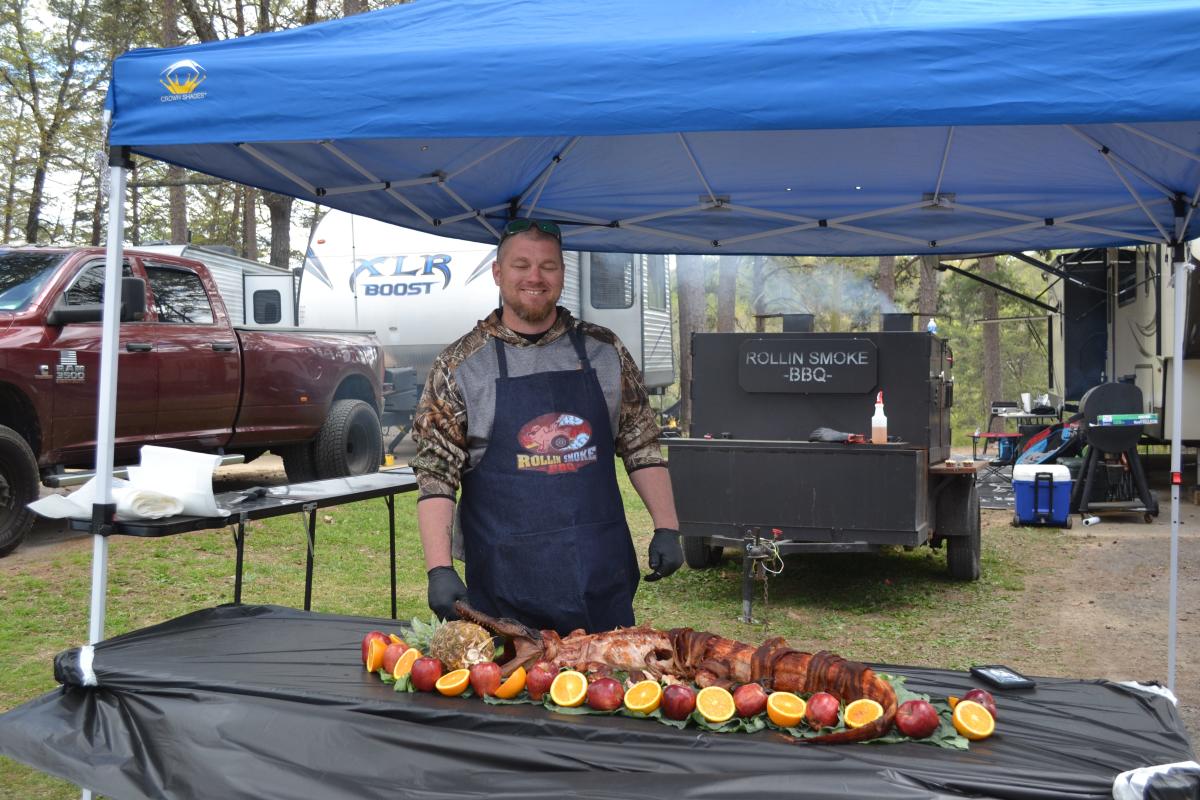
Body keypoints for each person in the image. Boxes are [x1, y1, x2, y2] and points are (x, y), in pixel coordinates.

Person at [411, 218, 683, 635]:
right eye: (521, 265)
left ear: (562, 273)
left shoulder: (605, 351)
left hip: (600, 578)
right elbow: (435, 476)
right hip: (504, 588)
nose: (535, 277)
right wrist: (439, 569)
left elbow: (642, 444)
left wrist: (667, 527)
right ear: (498, 274)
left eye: (548, 266)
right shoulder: (459, 366)